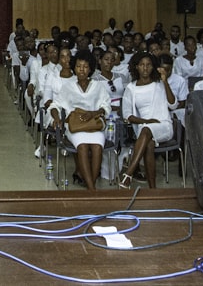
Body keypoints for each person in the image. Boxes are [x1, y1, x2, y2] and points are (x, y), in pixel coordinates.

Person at [49, 50, 109, 191]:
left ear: (91, 69)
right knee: (82, 146)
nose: (82, 70)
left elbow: (106, 106)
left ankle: (90, 187)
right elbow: (54, 105)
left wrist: (94, 112)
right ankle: (92, 190)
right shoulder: (68, 87)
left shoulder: (98, 86)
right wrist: (57, 118)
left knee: (97, 147)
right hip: (76, 127)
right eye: (78, 66)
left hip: (94, 125)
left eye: (85, 66)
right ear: (74, 68)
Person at [119, 54, 176, 189]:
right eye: (142, 64)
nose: (145, 68)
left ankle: (128, 175)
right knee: (148, 144)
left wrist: (165, 81)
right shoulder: (131, 88)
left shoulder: (159, 84)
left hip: (163, 125)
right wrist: (147, 121)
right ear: (136, 67)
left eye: (149, 64)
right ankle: (152, 189)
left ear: (153, 67)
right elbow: (127, 115)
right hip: (144, 127)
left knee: (146, 130)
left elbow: (173, 104)